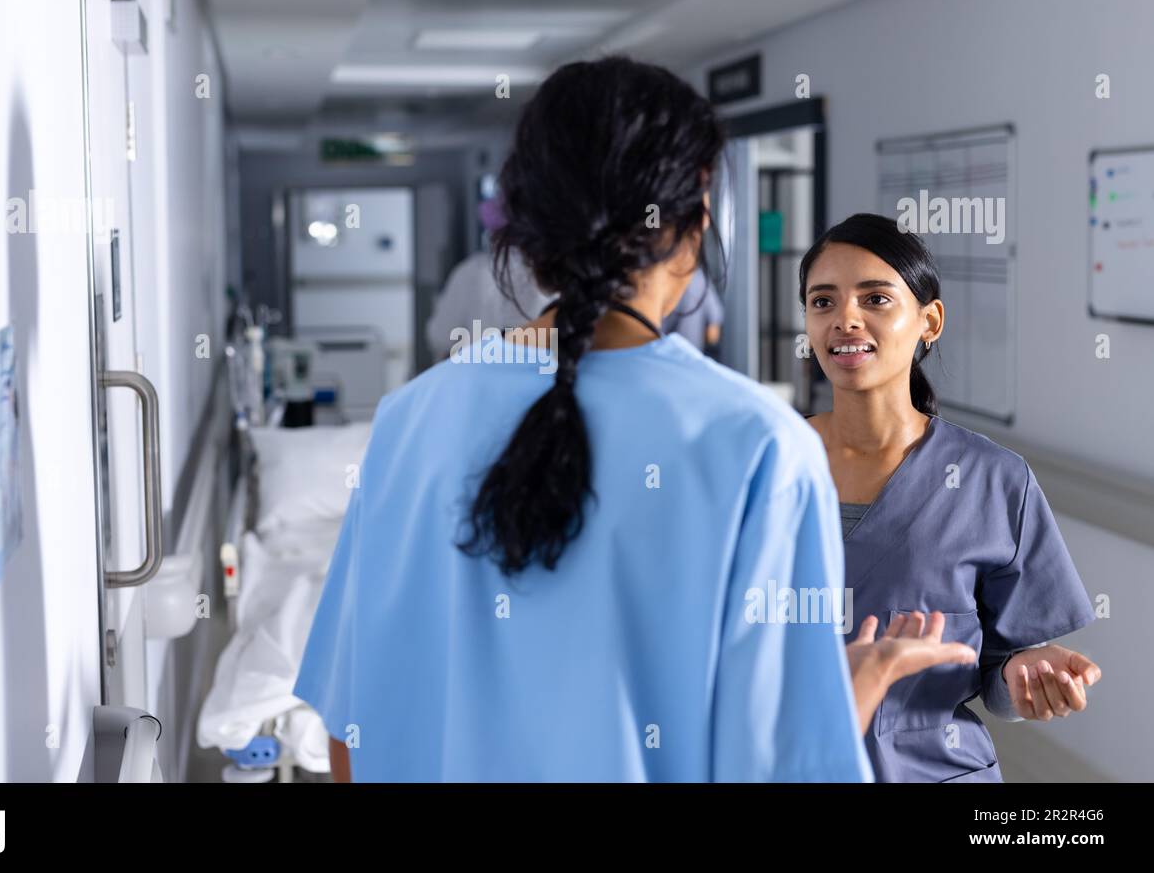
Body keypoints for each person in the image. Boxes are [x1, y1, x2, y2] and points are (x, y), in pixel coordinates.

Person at [293, 58, 972, 782]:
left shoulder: (410, 419)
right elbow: (782, 770)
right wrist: (856, 687)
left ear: (526, 225)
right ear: (694, 224)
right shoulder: (758, 446)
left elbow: (351, 736)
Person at [798, 213, 1101, 782]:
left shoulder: (994, 482)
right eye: (823, 302)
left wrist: (1024, 672)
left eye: (876, 299)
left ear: (929, 321)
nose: (846, 319)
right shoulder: (766, 465)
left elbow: (1001, 668)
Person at [424, 198, 554, 359]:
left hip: (480, 371)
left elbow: (440, 335)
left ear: (492, 234)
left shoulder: (471, 272)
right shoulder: (552, 272)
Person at [662, 267, 723, 355]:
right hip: (692, 353)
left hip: (663, 353)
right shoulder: (700, 279)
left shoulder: (662, 277)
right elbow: (713, 334)